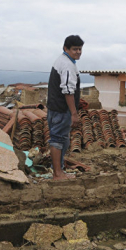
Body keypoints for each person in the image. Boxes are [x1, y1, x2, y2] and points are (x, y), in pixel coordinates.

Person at [47, 35, 83, 180]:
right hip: (61, 110)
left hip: (56, 108)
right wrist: (74, 113)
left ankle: (58, 170)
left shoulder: (64, 61)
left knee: (63, 140)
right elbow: (68, 90)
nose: (78, 52)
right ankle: (57, 173)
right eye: (75, 49)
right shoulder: (67, 64)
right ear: (65, 48)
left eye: (80, 49)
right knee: (57, 139)